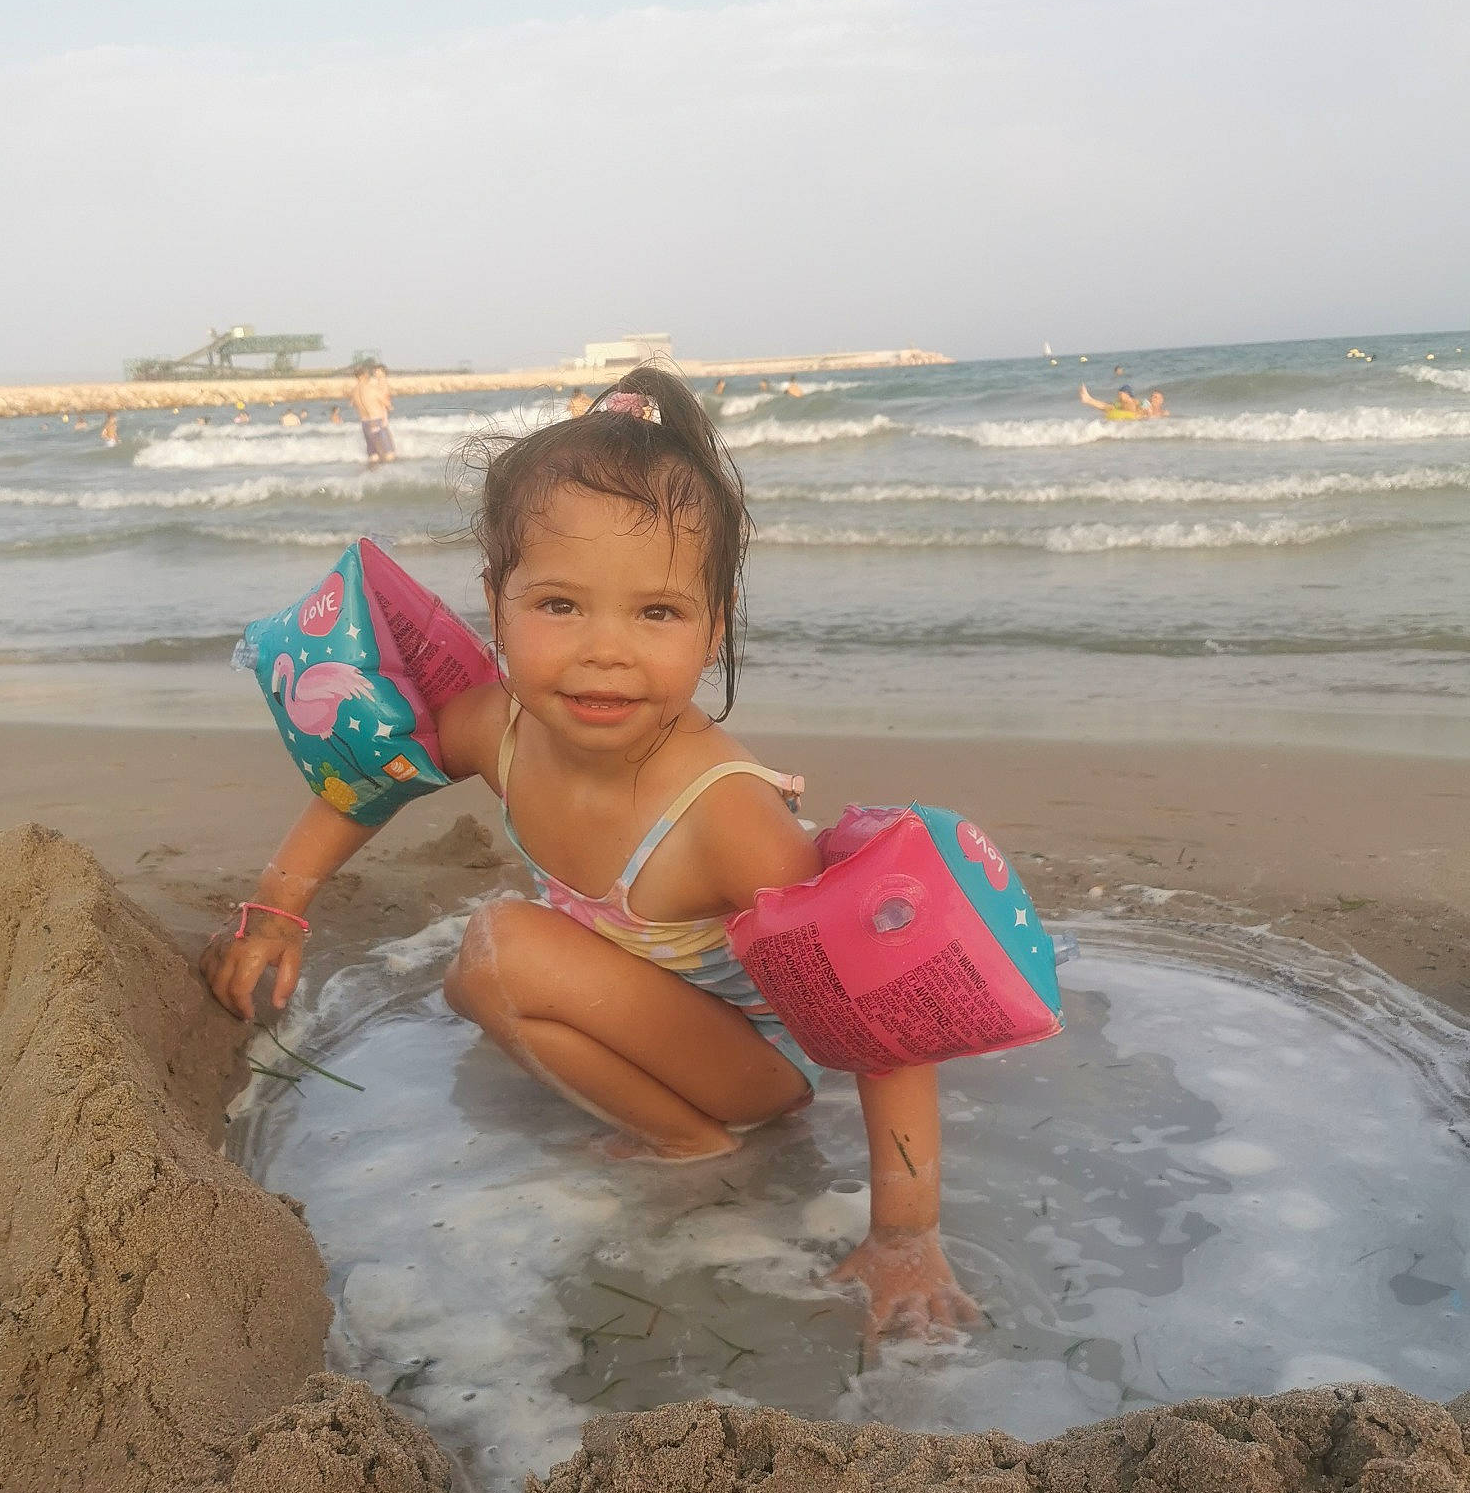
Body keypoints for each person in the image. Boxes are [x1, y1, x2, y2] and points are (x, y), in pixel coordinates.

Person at [200, 365, 974, 1341]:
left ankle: (694, 1139)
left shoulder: (723, 814)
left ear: (714, 625)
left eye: (657, 613)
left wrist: (906, 1230)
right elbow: (372, 779)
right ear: (497, 601)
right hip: (663, 1015)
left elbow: (878, 1016)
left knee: (498, 950)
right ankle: (683, 1130)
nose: (605, 649)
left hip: (764, 1067)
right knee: (482, 977)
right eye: (561, 605)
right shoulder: (498, 728)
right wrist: (279, 905)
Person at [350, 360, 396, 463]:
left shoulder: (354, 391)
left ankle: (371, 472)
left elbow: (352, 404)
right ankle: (389, 473)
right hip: (377, 421)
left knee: (373, 456)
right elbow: (387, 404)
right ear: (364, 375)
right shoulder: (372, 388)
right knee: (389, 454)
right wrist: (388, 408)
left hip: (365, 423)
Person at [1078, 382, 1145, 419]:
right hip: (1124, 416)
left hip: (1133, 418)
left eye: (1120, 394)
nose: (1119, 396)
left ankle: (1088, 399)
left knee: (1107, 407)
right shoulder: (1120, 402)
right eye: (1118, 394)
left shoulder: (1134, 402)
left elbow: (1142, 410)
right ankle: (1088, 399)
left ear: (1127, 394)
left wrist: (1141, 413)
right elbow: (1108, 407)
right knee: (1108, 407)